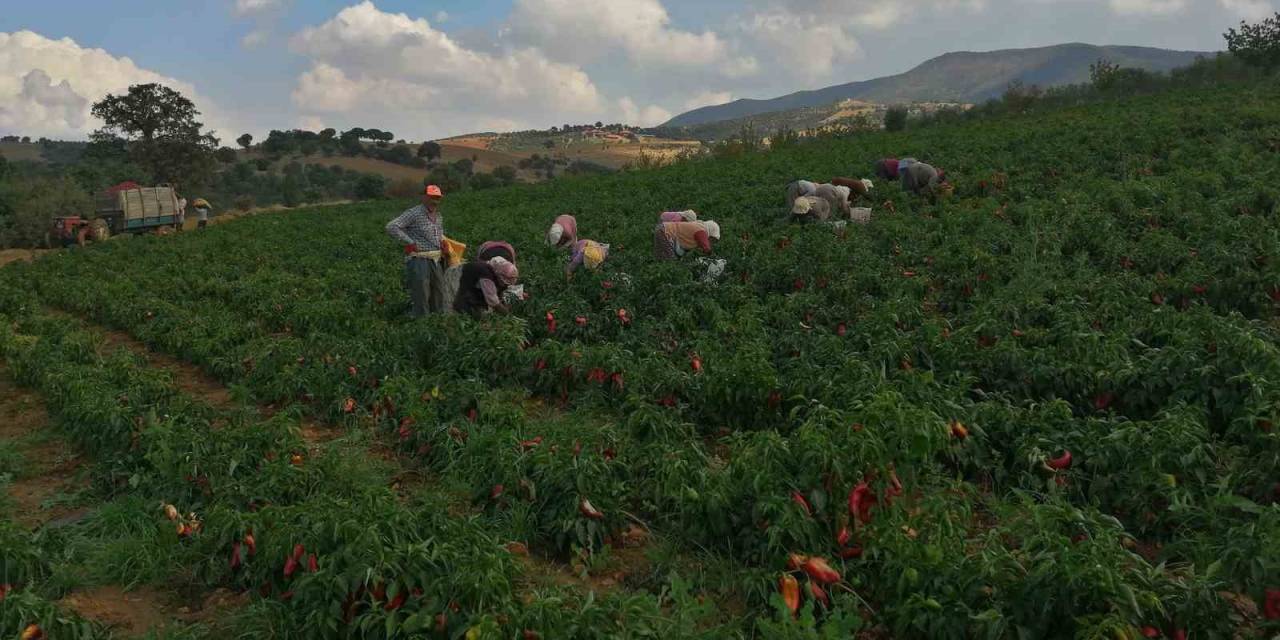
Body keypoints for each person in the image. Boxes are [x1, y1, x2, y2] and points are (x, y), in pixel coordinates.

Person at [386, 185, 449, 317]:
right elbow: (392, 226)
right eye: (432, 197)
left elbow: (438, 234)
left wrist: (442, 243)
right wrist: (409, 241)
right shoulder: (414, 213)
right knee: (422, 292)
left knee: (439, 291)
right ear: (424, 197)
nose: (435, 201)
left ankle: (438, 320)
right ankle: (422, 322)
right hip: (419, 258)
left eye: (437, 198)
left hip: (436, 258)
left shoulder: (438, 216)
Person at [454, 256, 519, 316]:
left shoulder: (500, 265)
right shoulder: (487, 276)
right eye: (503, 282)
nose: (504, 284)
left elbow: (501, 291)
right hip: (456, 276)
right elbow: (494, 302)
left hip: (471, 281)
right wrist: (507, 314)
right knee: (453, 307)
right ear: (498, 275)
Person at [653, 220, 720, 260]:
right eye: (712, 239)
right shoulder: (701, 231)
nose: (711, 241)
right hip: (665, 232)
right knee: (669, 260)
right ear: (710, 232)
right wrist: (712, 256)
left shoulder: (698, 226)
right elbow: (706, 247)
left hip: (663, 229)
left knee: (661, 256)